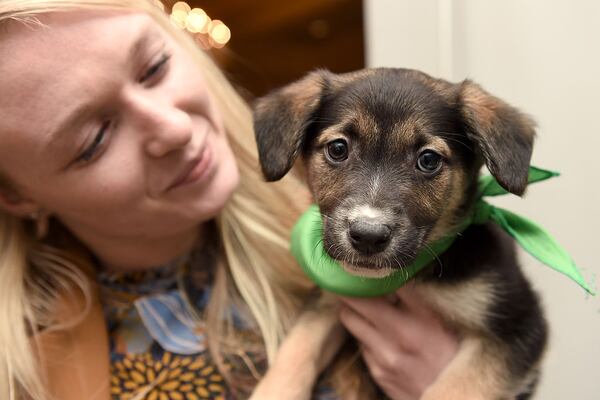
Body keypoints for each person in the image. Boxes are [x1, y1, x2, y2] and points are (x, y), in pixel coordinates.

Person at [0, 0, 458, 399]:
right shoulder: (28, 375)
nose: (174, 128)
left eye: (154, 67)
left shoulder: (355, 232)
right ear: (17, 195)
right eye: (94, 139)